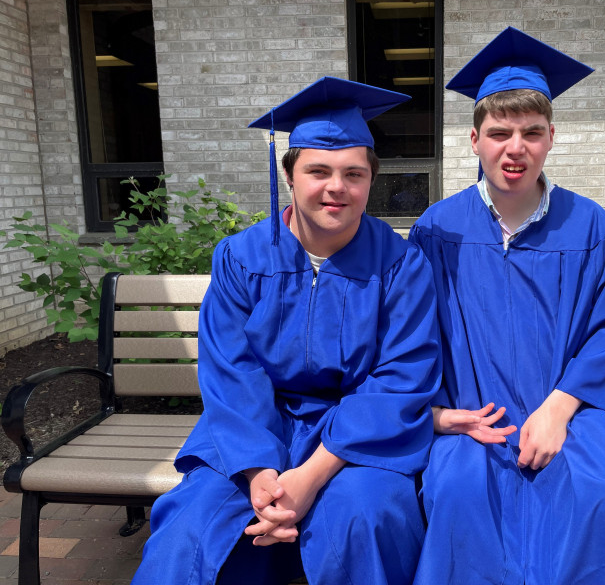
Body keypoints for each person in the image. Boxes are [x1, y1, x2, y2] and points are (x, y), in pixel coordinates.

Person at [132, 77, 441, 585]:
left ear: (370, 181)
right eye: (318, 170)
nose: (336, 187)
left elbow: (401, 377)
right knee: (192, 529)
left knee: (365, 518)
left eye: (353, 173)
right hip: (250, 429)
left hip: (355, 438)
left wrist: (310, 476)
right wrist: (261, 474)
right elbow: (232, 371)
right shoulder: (240, 258)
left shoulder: (401, 264)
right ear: (290, 176)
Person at [410, 27, 605, 585]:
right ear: (474, 140)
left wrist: (558, 410)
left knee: (602, 491)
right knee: (460, 490)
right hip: (476, 417)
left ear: (552, 136)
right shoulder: (437, 230)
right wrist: (441, 416)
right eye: (500, 133)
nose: (516, 148)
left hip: (575, 410)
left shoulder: (596, 231)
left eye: (531, 133)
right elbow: (413, 334)